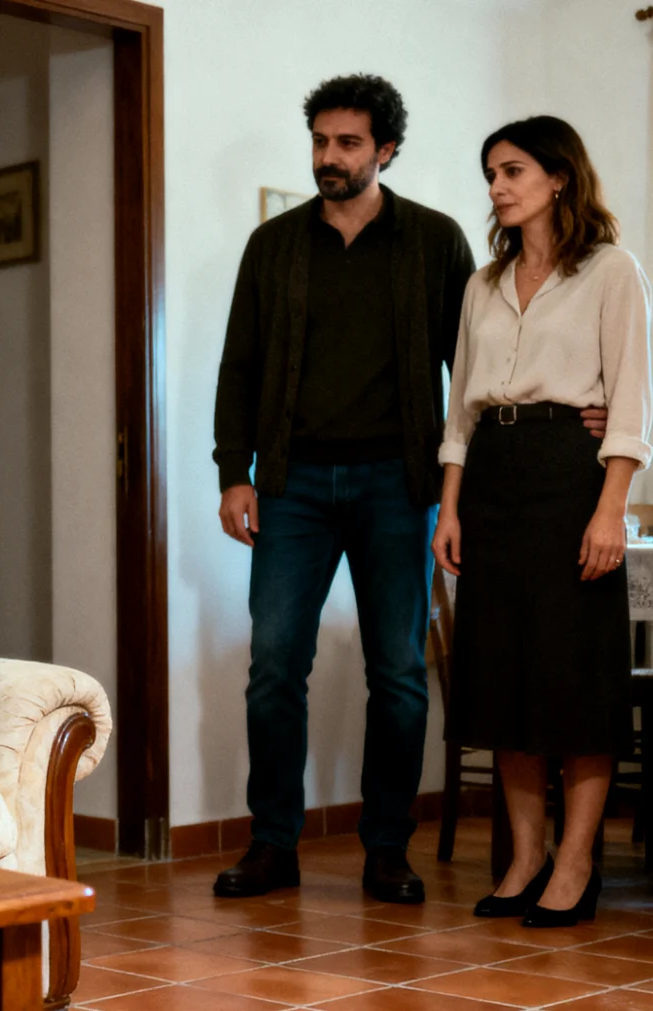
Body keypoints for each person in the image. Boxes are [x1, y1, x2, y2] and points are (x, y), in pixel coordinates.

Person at [211, 74, 483, 904]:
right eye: (321, 142)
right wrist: (234, 471)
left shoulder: (436, 242)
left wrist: (454, 493)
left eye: (348, 144)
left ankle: (386, 848)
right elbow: (241, 364)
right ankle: (272, 844)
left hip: (398, 487)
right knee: (272, 669)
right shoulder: (276, 245)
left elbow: (468, 371)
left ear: (387, 149)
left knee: (399, 672)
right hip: (291, 487)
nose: (329, 157)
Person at [435, 116, 652, 927]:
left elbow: (629, 400)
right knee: (503, 677)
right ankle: (524, 857)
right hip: (490, 478)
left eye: (513, 170)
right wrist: (449, 506)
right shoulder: (482, 285)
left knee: (573, 678)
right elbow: (459, 411)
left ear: (559, 176)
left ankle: (575, 860)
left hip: (572, 476)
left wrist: (611, 507)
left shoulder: (611, 271)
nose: (497, 185)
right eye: (491, 171)